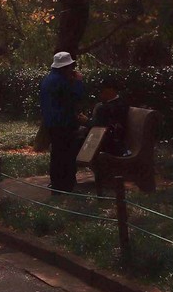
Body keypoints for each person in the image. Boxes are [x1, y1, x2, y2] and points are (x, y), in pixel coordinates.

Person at [40, 51, 84, 192]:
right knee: (67, 155)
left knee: (57, 154)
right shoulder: (62, 82)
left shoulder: (47, 80)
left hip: (52, 123)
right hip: (64, 123)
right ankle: (66, 185)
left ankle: (57, 183)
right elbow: (75, 97)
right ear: (65, 67)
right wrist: (78, 82)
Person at [90, 77, 129, 156]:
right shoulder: (112, 104)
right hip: (105, 138)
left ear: (110, 90)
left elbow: (99, 126)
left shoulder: (111, 106)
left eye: (102, 89)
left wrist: (86, 121)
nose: (100, 93)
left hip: (110, 142)